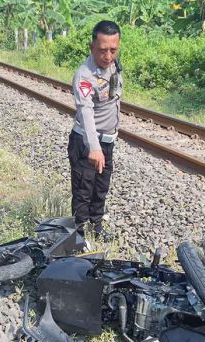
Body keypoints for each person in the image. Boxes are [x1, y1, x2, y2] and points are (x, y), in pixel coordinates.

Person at [68, 20, 123, 237]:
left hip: (107, 141)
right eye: (102, 51)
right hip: (87, 144)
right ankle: (80, 237)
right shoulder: (84, 76)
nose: (108, 56)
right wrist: (94, 147)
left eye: (113, 50)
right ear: (92, 47)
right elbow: (86, 111)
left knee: (100, 189)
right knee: (84, 191)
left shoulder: (114, 65)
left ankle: (97, 231)